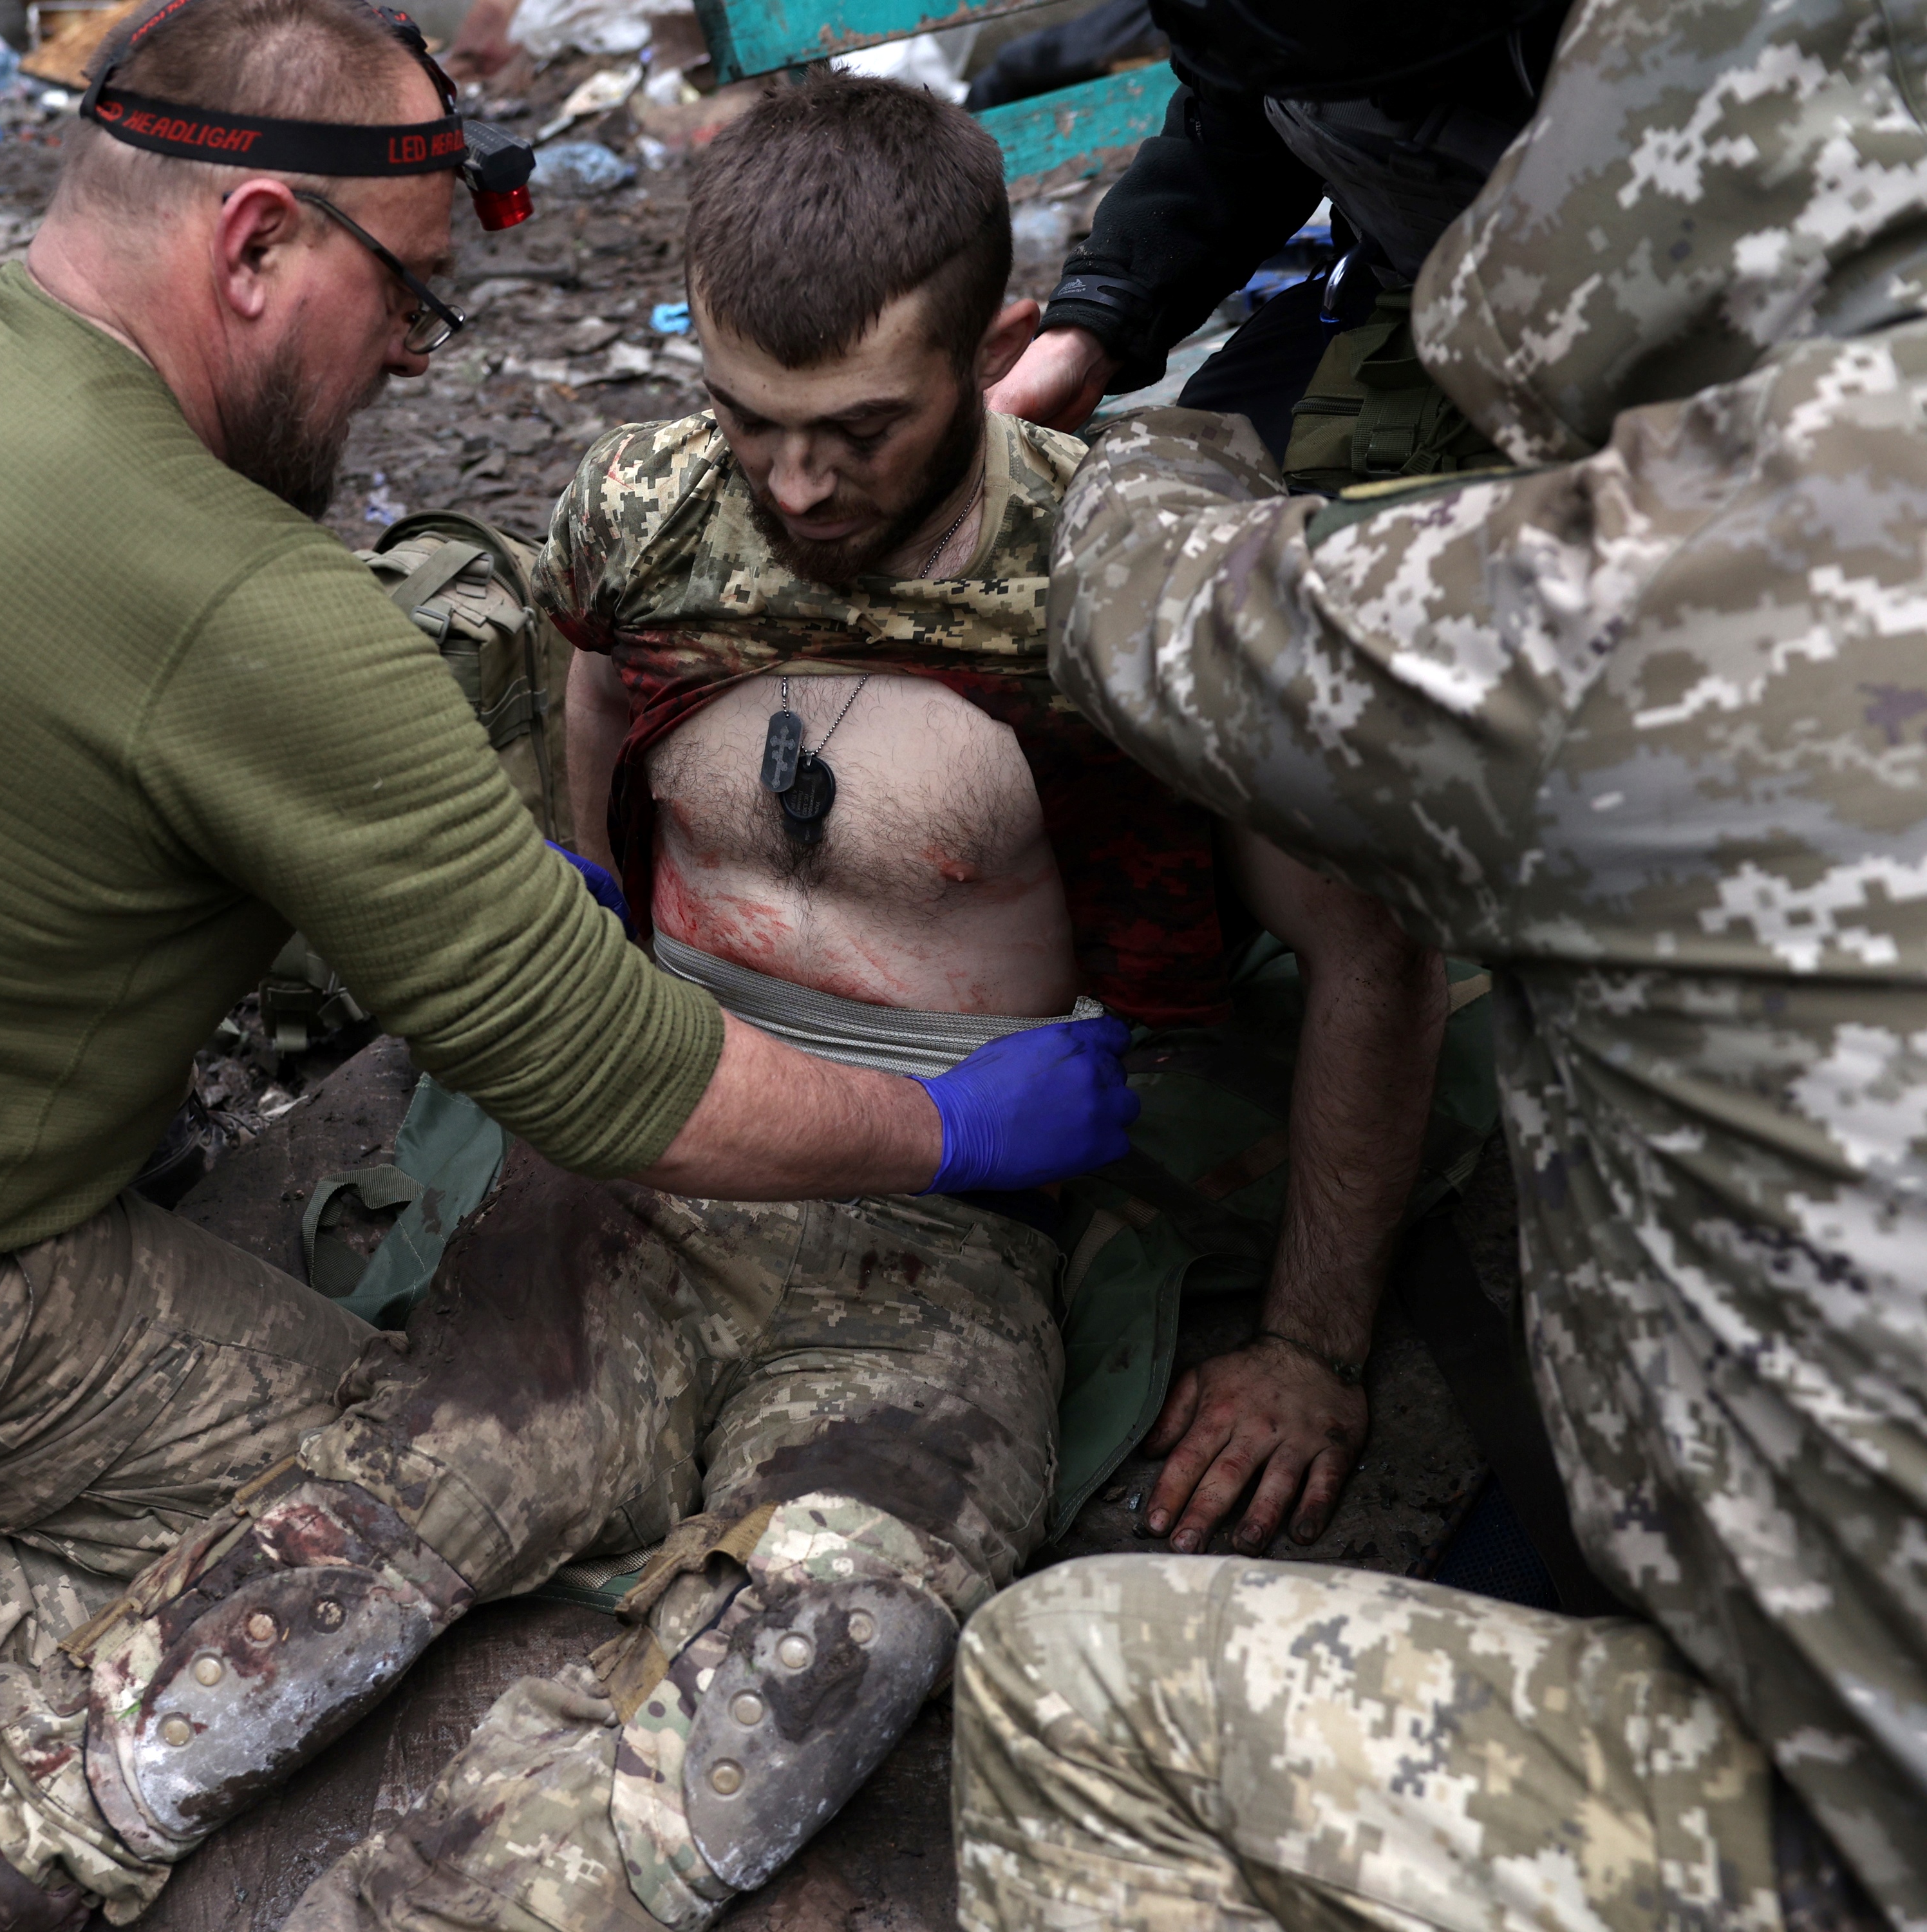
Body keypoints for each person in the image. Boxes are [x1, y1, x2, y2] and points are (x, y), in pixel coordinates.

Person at [0, 0, 1134, 1924]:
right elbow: (619, 1079)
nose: (402, 371)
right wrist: (955, 1130)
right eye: (412, 310)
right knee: (404, 1489)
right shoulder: (253, 611)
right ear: (260, 243)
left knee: (575, 1533)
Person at [245, 72, 1487, 1932]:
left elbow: (1369, 953)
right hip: (695, 1117)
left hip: (966, 1201)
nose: (801, 487)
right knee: (388, 1514)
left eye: (861, 431)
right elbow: (595, 672)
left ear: (994, 351)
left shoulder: (1116, 587)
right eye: (753, 421)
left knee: (806, 1652)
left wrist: (1311, 1345)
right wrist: (594, 920)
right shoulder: (654, 509)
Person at [957, 0, 1927, 1924]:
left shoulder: (1580, 614)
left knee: (1065, 1694)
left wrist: (1153, 448)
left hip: (1859, 1785)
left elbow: (1153, 608)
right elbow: (1234, 114)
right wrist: (1110, 309)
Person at [989, 0, 1568, 468]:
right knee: (1190, 456)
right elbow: (1237, 125)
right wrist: (1089, 331)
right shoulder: (1251, 27)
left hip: (1604, 327)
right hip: (1401, 290)